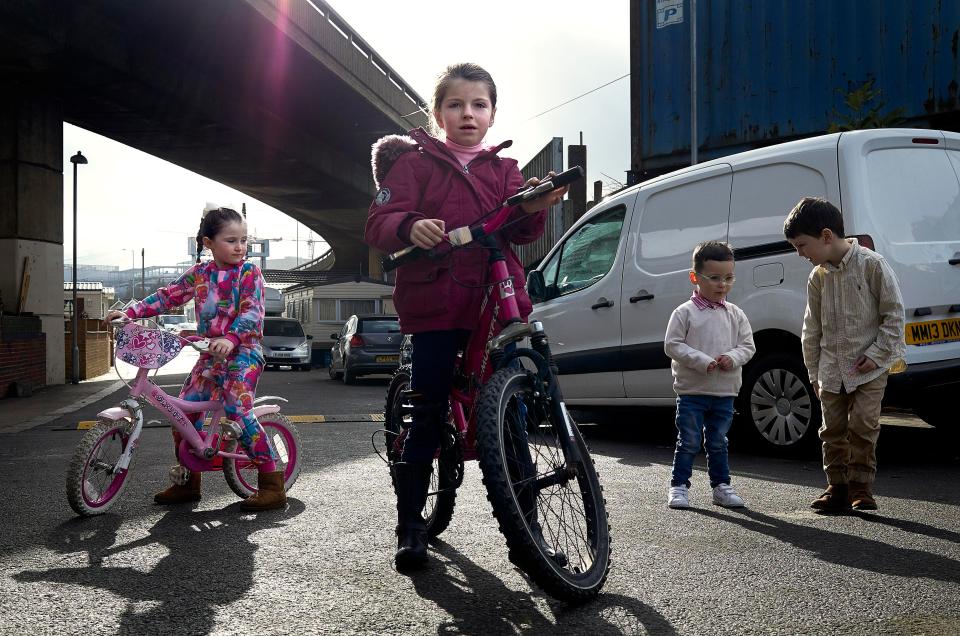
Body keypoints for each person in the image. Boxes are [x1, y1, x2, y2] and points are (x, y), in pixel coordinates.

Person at [364, 62, 567, 569]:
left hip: (497, 301)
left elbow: (522, 234)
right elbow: (379, 221)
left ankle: (530, 534)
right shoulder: (412, 165)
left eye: (479, 105)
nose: (467, 114)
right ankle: (410, 525)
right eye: (455, 105)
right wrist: (410, 226)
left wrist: (536, 205)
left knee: (513, 414)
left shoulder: (506, 170)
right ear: (437, 115)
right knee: (428, 408)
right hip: (436, 303)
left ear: (493, 114)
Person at [104, 204, 286, 511]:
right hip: (210, 355)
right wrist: (131, 312)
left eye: (244, 240)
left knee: (238, 410)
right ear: (208, 243)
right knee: (181, 413)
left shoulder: (249, 273)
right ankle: (188, 483)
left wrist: (231, 338)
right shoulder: (201, 274)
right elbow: (168, 295)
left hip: (243, 353)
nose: (240, 246)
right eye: (231, 240)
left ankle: (272, 483)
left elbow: (252, 311)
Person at [784, 197, 905, 512]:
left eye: (801, 245)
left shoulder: (872, 265)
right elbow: (811, 330)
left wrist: (878, 354)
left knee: (864, 423)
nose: (800, 254)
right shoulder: (818, 277)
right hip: (831, 369)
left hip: (870, 367)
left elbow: (894, 316)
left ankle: (861, 487)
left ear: (826, 236)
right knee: (832, 428)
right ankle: (836, 487)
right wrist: (813, 373)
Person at [664, 240, 755, 509]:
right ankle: (679, 486)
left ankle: (721, 487)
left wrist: (733, 357)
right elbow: (672, 344)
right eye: (714, 278)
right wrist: (702, 361)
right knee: (689, 440)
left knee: (718, 441)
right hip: (692, 391)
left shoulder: (736, 314)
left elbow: (748, 345)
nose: (722, 284)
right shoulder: (684, 312)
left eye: (728, 278)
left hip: (725, 392)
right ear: (695, 277)